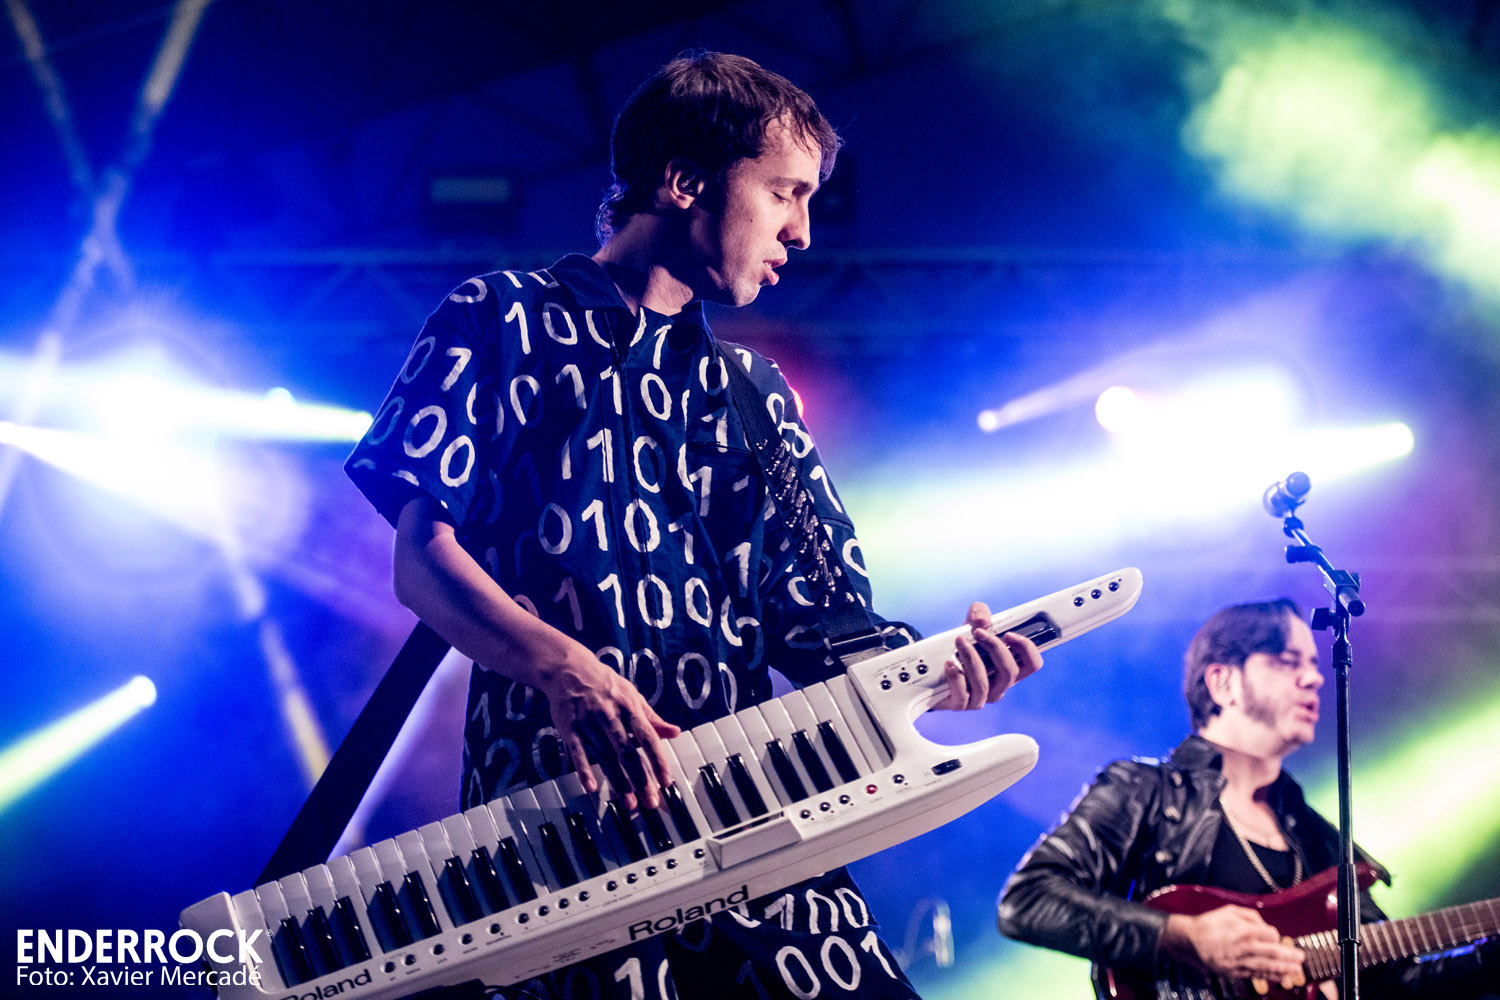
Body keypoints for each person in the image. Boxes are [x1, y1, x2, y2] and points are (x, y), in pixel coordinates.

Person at [346, 51, 1042, 1000]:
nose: (802, 231)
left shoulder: (755, 393)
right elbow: (421, 560)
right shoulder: (498, 319)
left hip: (760, 827)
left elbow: (831, 631)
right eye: (784, 192)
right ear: (683, 181)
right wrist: (564, 667)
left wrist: (939, 672)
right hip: (562, 838)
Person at [996, 599, 1496, 999]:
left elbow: (1396, 984)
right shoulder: (1144, 791)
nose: (1314, 678)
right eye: (1287, 662)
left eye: (1313, 664)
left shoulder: (1315, 836)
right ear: (1223, 682)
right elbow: (1027, 900)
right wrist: (1184, 936)